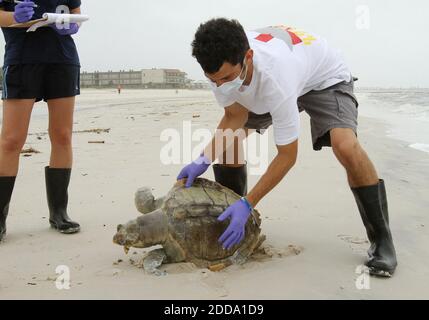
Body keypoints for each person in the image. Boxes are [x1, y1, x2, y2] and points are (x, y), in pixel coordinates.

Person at [177, 18, 397, 277]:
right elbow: (234, 117)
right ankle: (233, 227)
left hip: (324, 80)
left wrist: (249, 203)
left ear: (247, 56)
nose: (221, 86)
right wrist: (203, 159)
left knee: (345, 145)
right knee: (230, 144)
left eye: (226, 77)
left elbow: (287, 156)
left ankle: (382, 240)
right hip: (271, 78)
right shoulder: (222, 70)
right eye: (213, 80)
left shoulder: (276, 76)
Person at [0, 0, 83, 241]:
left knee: (62, 134)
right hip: (22, 60)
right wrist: (14, 17)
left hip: (63, 59)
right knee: (11, 140)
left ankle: (59, 211)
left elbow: (76, 12)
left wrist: (73, 25)